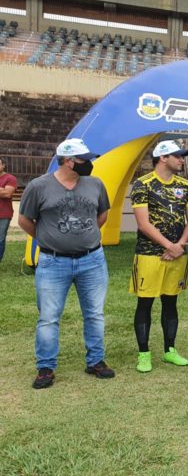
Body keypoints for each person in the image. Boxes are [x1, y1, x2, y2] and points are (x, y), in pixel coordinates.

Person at [19, 138, 113, 389]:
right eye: (84, 159)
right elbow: (25, 220)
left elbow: (102, 214)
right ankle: (46, 367)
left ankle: (96, 361)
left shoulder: (95, 184)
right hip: (52, 262)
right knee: (49, 317)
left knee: (95, 314)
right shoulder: (39, 186)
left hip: (92, 260)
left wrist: (85, 236)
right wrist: (48, 239)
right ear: (69, 161)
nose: (90, 163)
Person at [129, 140, 188, 373]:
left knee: (171, 302)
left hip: (177, 255)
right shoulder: (142, 184)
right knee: (145, 304)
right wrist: (169, 245)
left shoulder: (185, 185)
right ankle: (144, 354)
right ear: (163, 157)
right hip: (149, 255)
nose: (182, 160)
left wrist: (180, 245)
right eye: (178, 156)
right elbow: (143, 222)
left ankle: (170, 350)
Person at [0, 157, 17, 262]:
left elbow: (7, 194)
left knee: (0, 239)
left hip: (4, 214)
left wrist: (4, 191)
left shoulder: (10, 178)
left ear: (3, 165)